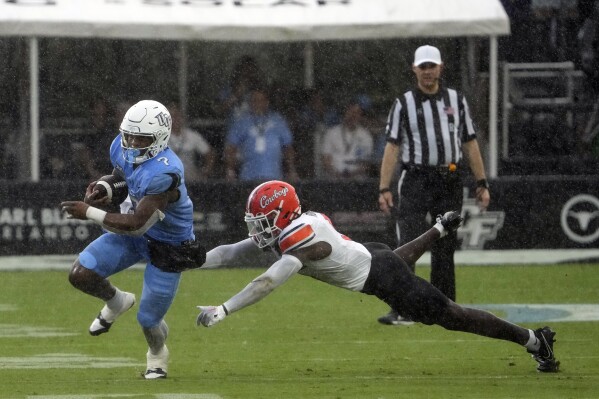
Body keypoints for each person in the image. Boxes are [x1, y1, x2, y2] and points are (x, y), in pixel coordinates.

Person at [195, 180, 559, 374]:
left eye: (262, 222)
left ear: (283, 215)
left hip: (381, 273)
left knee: (453, 317)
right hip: (375, 260)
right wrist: (190, 261)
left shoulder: (300, 241)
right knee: (387, 264)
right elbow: (230, 251)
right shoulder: (292, 227)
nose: (257, 230)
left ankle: (534, 341)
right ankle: (439, 230)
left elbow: (268, 281)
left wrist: (224, 310)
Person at [60, 100, 205, 380]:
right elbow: (121, 176)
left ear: (160, 138)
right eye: (129, 135)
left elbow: (138, 222)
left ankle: (157, 355)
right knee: (80, 274)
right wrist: (105, 186)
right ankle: (116, 301)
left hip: (167, 246)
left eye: (141, 138)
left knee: (148, 320)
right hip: (133, 237)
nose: (132, 142)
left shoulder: (165, 171)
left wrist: (89, 211)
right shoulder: (122, 145)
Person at [376, 45, 491, 326]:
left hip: (449, 178)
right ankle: (403, 307)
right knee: (408, 243)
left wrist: (481, 181)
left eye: (432, 66)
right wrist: (384, 187)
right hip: (416, 178)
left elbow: (469, 141)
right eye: (422, 67)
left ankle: (444, 306)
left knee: (445, 244)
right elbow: (392, 146)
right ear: (414, 69)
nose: (427, 71)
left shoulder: (456, 99)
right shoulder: (403, 103)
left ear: (441, 67)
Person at [224, 87, 298, 182]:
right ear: (250, 103)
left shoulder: (278, 120)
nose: (257, 103)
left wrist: (292, 170)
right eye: (254, 100)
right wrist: (230, 171)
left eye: (261, 100)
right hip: (248, 177)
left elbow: (288, 147)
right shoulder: (241, 122)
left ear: (267, 102)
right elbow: (231, 148)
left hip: (274, 176)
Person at [320, 97, 374, 180]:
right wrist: (337, 175)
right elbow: (325, 161)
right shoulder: (331, 133)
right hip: (333, 181)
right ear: (345, 112)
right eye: (351, 111)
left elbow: (365, 164)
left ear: (360, 116)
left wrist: (350, 176)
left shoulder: (366, 136)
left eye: (357, 113)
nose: (353, 115)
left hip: (357, 182)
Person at [167, 102, 215, 182]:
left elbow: (210, 154)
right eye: (172, 117)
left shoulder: (192, 136)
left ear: (182, 118)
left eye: (177, 116)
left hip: (190, 178)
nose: (175, 119)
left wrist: (206, 172)